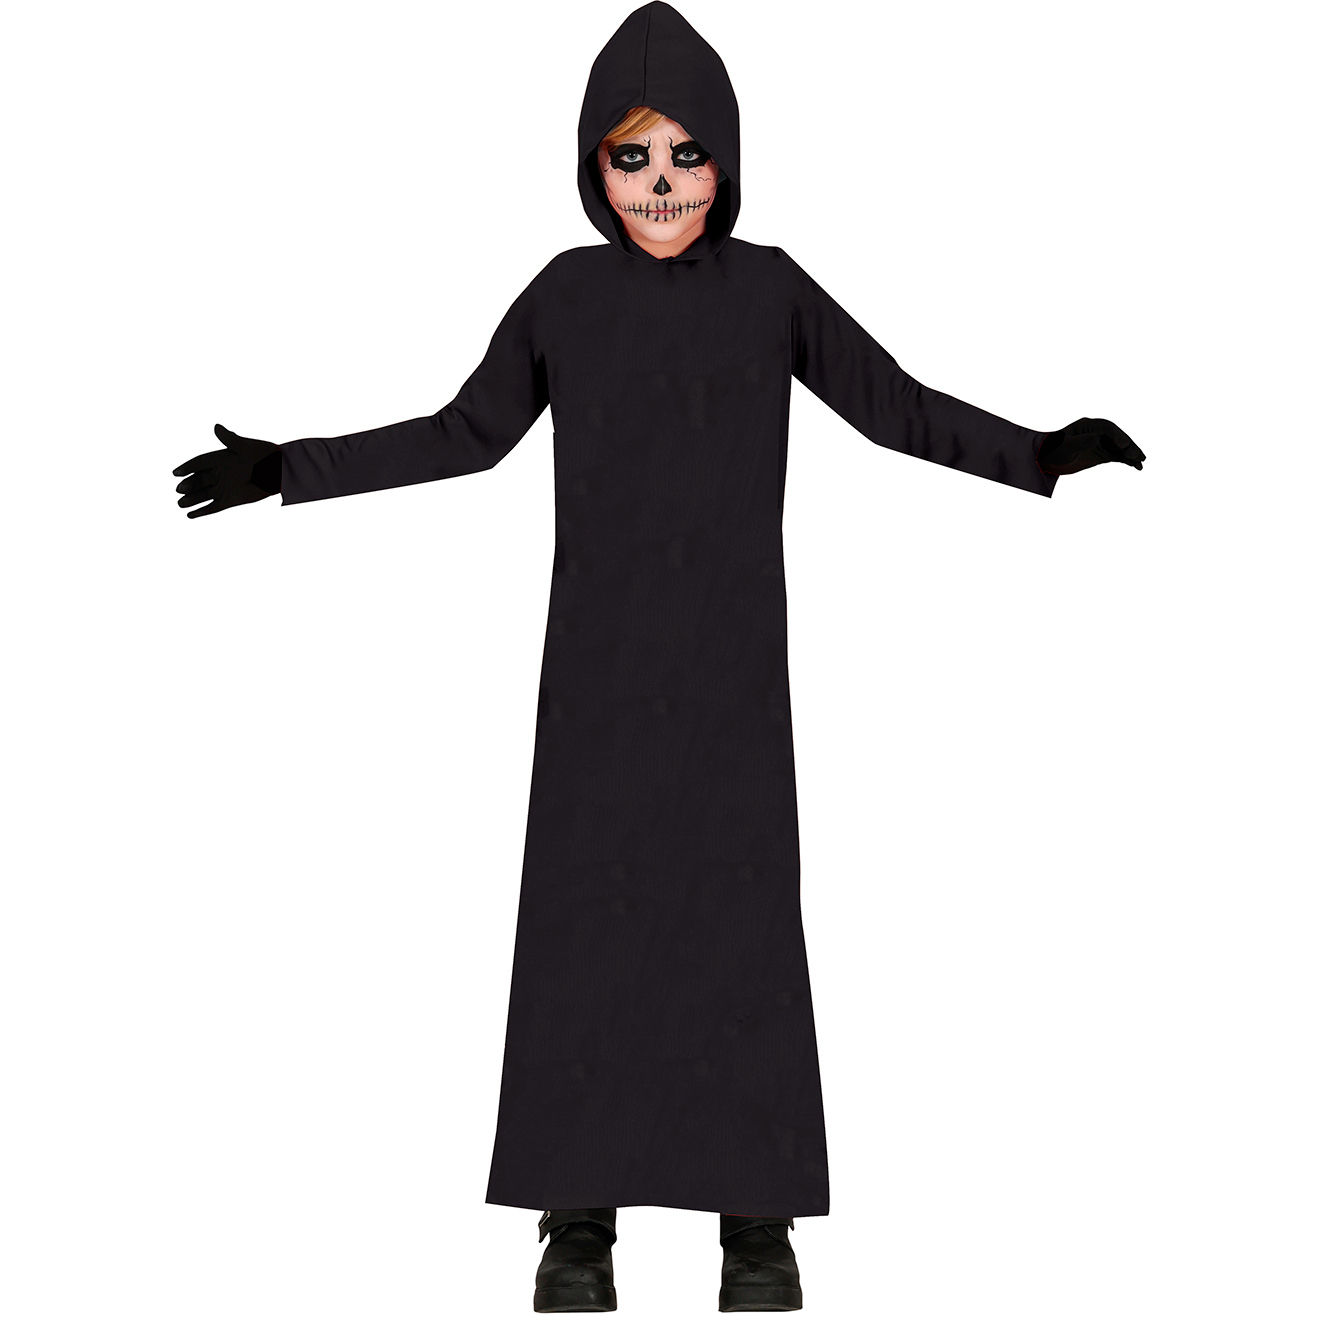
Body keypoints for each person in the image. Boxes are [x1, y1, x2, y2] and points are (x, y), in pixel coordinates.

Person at [173, 3, 1144, 1312]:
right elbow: (464, 434)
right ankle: (578, 1217)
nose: (663, 183)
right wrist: (289, 468)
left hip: (734, 675)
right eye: (632, 158)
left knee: (739, 931)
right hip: (599, 676)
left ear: (727, 160)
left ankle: (757, 1220)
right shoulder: (565, 297)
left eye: (687, 153)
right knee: (589, 927)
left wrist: (1035, 455)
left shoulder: (772, 291)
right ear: (594, 167)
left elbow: (893, 406)